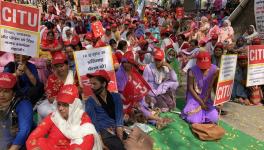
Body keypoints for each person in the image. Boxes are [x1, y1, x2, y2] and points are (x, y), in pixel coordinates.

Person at [26, 85, 102, 150]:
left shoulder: (82, 117)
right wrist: (34, 147)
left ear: (74, 105)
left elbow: (89, 138)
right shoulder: (53, 116)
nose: (60, 108)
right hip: (52, 148)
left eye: (65, 105)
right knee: (39, 142)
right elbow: (35, 135)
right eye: (59, 104)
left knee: (80, 141)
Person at [85, 70, 125, 150]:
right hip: (104, 133)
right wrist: (99, 141)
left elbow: (119, 117)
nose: (91, 87)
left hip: (117, 130)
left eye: (94, 84)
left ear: (104, 84)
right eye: (91, 84)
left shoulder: (116, 97)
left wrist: (120, 135)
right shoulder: (90, 101)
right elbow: (93, 122)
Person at [181, 51, 219, 124]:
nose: (204, 69)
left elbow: (211, 87)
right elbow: (190, 88)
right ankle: (198, 113)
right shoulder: (192, 70)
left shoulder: (215, 69)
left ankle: (202, 113)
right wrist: (201, 103)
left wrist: (218, 100)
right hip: (194, 96)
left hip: (206, 97)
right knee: (193, 119)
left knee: (214, 118)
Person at [37, 52, 76, 120]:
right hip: (56, 105)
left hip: (73, 105)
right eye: (56, 67)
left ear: (67, 65)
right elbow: (50, 99)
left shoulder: (74, 76)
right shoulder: (51, 78)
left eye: (61, 66)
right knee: (45, 111)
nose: (59, 69)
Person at [0, 72, 33, 150]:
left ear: (14, 92)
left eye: (6, 91)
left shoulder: (23, 104)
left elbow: (24, 132)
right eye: (0, 90)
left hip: (17, 143)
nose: (1, 94)